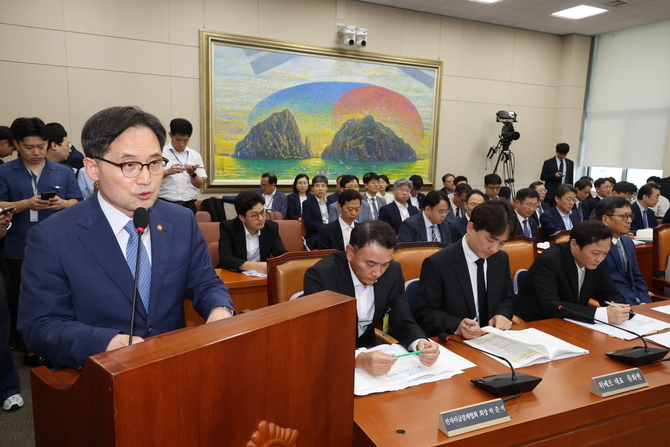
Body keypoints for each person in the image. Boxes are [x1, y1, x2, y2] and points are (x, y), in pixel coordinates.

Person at [17, 106, 234, 370]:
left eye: (154, 163)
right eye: (129, 165)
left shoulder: (181, 221)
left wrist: (219, 310)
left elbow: (205, 282)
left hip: (175, 368)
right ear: (93, 169)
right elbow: (39, 325)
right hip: (100, 377)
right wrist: (106, 343)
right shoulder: (53, 236)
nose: (146, 179)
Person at [304, 220, 439, 376]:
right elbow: (318, 335)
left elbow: (402, 318)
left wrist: (419, 342)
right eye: (370, 264)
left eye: (385, 264)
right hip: (331, 358)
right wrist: (357, 359)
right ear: (350, 252)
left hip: (372, 349)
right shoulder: (321, 276)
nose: (378, 273)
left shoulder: (393, 271)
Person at [0, 117, 82, 363]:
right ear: (16, 144)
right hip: (19, 244)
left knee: (58, 295)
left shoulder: (63, 171)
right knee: (23, 298)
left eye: (41, 146)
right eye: (29, 147)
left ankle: (56, 344)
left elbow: (77, 203)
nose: (36, 152)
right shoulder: (5, 171)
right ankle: (29, 347)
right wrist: (25, 203)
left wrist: (63, 204)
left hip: (58, 245)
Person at [415, 200, 516, 338]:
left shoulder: (500, 258)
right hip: (457, 341)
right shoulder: (438, 263)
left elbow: (505, 299)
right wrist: (457, 326)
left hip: (492, 338)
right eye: (490, 240)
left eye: (502, 243)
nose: (494, 249)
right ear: (470, 228)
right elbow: (425, 312)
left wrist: (502, 314)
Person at [515, 220, 629, 323]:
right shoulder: (549, 261)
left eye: (605, 253)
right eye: (595, 253)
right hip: (540, 323)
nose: (600, 259)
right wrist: (600, 314)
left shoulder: (596, 261)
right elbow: (551, 305)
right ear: (574, 244)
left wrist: (619, 308)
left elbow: (610, 292)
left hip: (573, 321)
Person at [596, 196, 650, 305]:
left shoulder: (627, 242)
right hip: (615, 304)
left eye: (630, 216)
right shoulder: (595, 245)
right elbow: (601, 286)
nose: (629, 221)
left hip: (637, 300)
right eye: (624, 216)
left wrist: (646, 302)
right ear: (605, 219)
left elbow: (636, 276)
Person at [218, 191, 287, 273]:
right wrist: (255, 266)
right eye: (254, 215)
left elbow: (281, 254)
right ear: (242, 218)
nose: (261, 219)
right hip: (234, 274)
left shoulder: (271, 227)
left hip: (261, 276)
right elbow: (226, 259)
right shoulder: (229, 228)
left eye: (262, 212)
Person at [159, 118, 206, 213]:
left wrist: (192, 174)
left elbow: (199, 185)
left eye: (185, 140)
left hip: (188, 205)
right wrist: (167, 172)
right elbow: (150, 179)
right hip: (164, 204)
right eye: (178, 139)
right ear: (170, 135)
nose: (181, 144)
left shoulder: (195, 155)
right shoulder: (160, 153)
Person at [540, 143, 574, 207]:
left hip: (564, 193)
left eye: (564, 154)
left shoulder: (570, 163)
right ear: (556, 152)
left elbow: (570, 178)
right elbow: (543, 177)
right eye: (560, 154)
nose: (562, 156)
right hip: (551, 193)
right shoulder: (548, 162)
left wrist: (571, 190)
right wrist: (554, 176)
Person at [302, 175, 330, 249]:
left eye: (323, 186)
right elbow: (309, 223)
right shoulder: (307, 203)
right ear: (312, 188)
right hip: (316, 235)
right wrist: (325, 227)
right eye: (317, 186)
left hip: (331, 233)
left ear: (327, 188)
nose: (320, 189)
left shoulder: (331, 202)